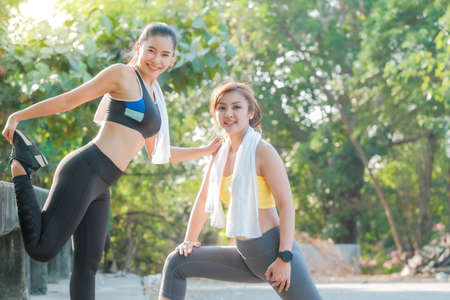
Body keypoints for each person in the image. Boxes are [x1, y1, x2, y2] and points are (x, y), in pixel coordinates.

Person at [2, 22, 221, 300]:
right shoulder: (122, 75)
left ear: (173, 59)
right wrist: (19, 115)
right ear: (139, 48)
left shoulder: (155, 96)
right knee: (42, 249)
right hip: (85, 169)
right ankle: (21, 169)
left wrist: (205, 149)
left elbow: (159, 154)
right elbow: (70, 100)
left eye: (165, 54)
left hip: (103, 183)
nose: (157, 59)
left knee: (87, 267)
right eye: (151, 50)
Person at [159, 82, 322, 300]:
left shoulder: (263, 151)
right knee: (177, 262)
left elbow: (286, 205)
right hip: (246, 254)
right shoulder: (219, 155)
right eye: (222, 107)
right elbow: (203, 200)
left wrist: (284, 257)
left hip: (273, 251)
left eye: (237, 107)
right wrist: (189, 240)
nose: (229, 114)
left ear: (251, 112)